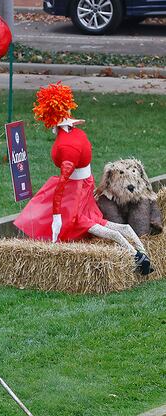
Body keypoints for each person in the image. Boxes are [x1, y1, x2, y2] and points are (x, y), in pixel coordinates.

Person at [14, 82, 153, 274]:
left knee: (87, 223)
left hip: (75, 192)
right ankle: (142, 253)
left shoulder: (65, 146)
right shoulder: (77, 134)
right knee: (98, 222)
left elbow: (63, 184)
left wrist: (56, 216)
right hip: (85, 185)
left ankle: (135, 256)